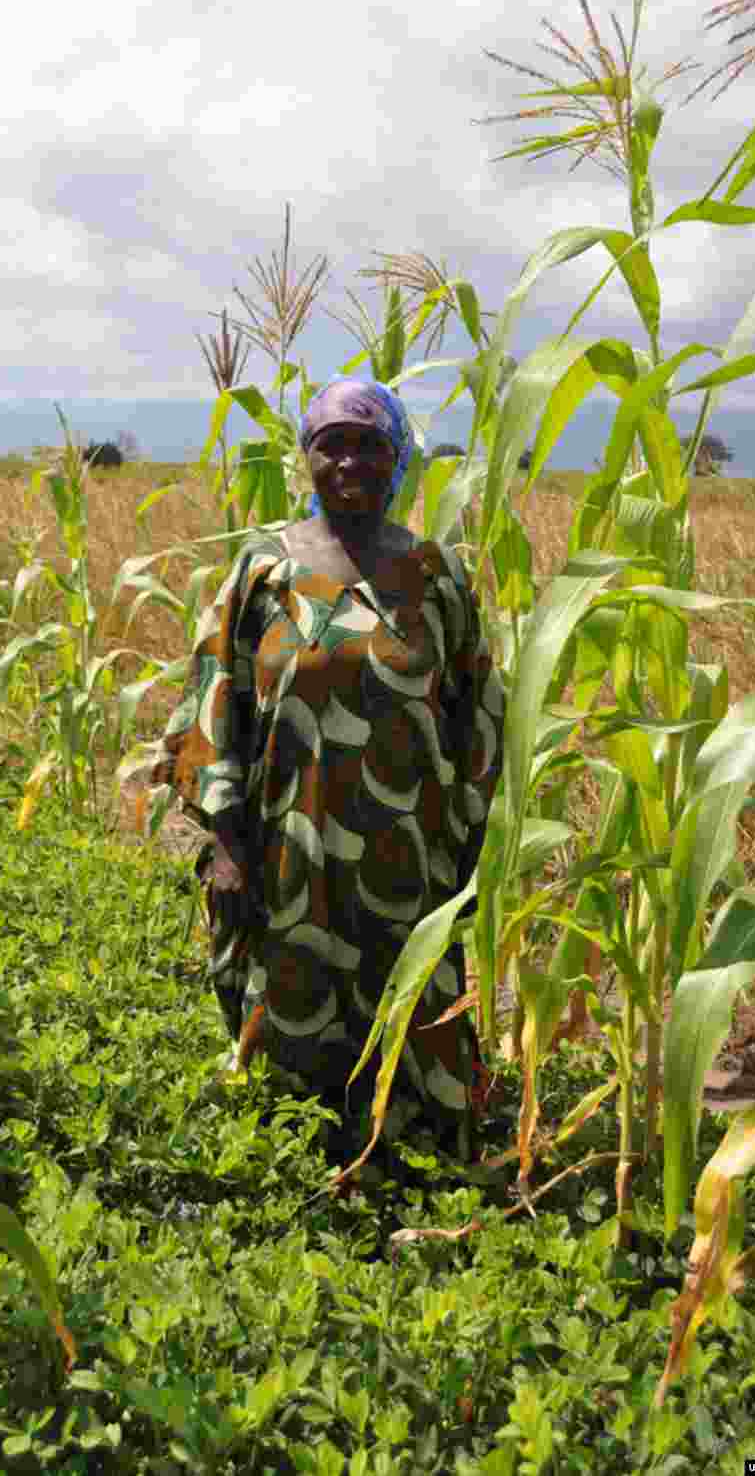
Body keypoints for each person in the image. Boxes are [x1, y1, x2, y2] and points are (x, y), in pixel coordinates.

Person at [152, 377, 504, 1161]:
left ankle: (416, 1153)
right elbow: (216, 703)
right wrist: (228, 843)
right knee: (292, 1002)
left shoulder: (436, 574)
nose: (349, 460)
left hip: (410, 861)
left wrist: (475, 853)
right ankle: (296, 1161)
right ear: (305, 459)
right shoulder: (263, 569)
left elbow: (477, 716)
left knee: (412, 1001)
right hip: (289, 855)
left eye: (370, 443)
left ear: (399, 457)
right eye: (330, 444)